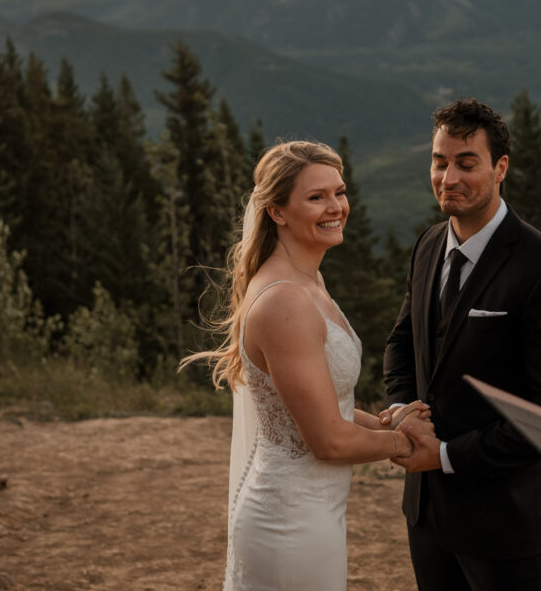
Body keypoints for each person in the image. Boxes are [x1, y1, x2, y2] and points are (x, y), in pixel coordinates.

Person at [182, 140, 432, 591]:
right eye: (316, 197)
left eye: (339, 191)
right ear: (276, 212)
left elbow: (321, 406)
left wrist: (381, 423)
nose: (336, 207)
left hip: (312, 510)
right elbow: (328, 442)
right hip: (290, 523)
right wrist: (403, 441)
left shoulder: (308, 278)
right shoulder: (286, 301)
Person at [380, 98, 541, 590]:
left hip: (507, 521)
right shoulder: (428, 245)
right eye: (439, 161)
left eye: (465, 163)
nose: (448, 177)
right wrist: (400, 408)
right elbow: (401, 343)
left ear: (501, 168)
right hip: (427, 514)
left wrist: (448, 454)